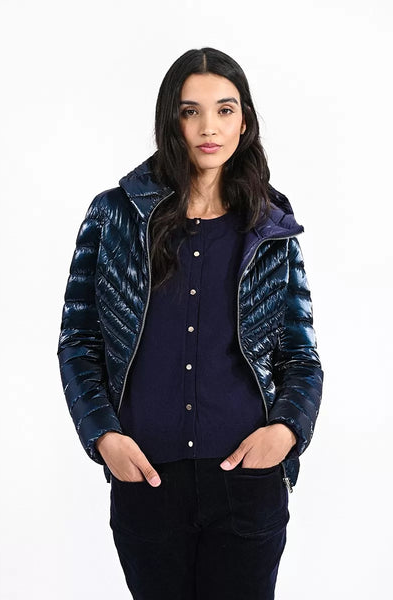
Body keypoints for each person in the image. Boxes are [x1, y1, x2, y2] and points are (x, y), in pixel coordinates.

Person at [57, 47, 324, 600]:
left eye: (225, 110)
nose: (209, 128)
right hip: (147, 476)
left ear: (244, 121)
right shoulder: (114, 215)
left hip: (247, 479)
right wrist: (103, 436)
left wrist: (286, 431)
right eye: (190, 111)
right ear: (169, 120)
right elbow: (78, 341)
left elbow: (300, 354)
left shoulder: (270, 222)